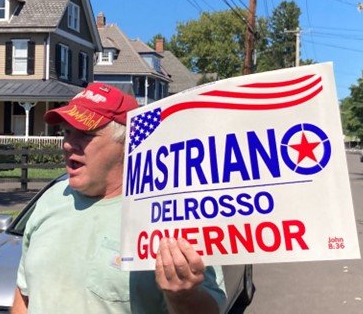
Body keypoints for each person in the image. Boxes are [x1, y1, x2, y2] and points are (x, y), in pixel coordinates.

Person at [11, 83, 226, 313]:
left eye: (85, 134)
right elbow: (24, 297)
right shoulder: (51, 199)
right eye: (66, 132)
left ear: (126, 143)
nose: (67, 144)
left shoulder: (169, 213)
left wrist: (184, 297)